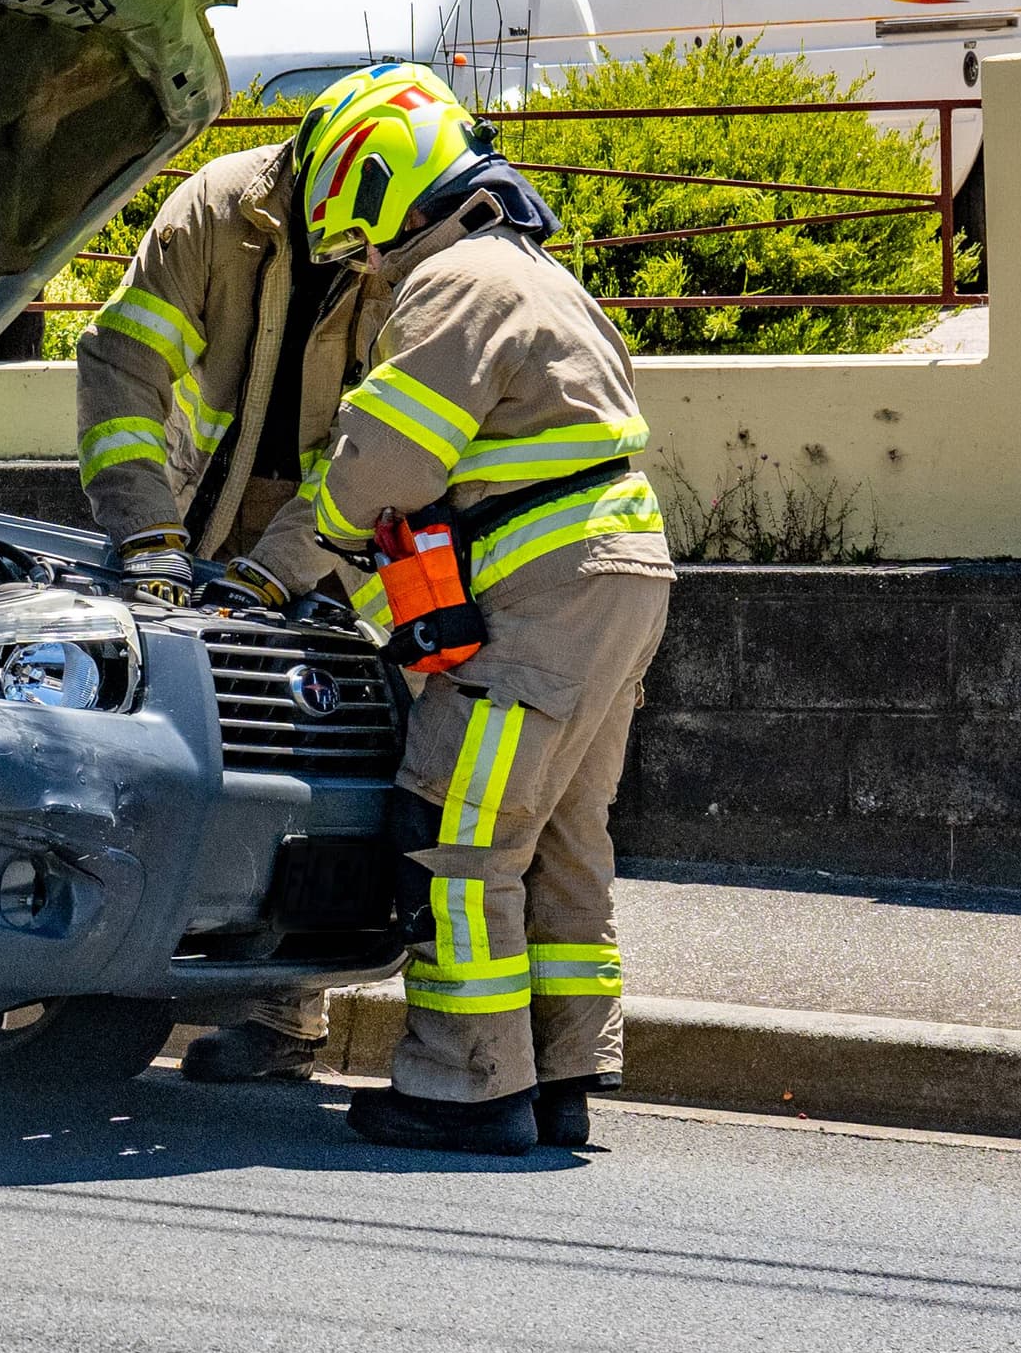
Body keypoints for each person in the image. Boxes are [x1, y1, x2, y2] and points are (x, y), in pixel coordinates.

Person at [241, 65, 671, 1157]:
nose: (365, 265)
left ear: (381, 185)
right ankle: (563, 1068)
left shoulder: (455, 283)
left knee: (457, 836)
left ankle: (465, 1087)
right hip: (616, 580)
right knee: (564, 836)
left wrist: (277, 568)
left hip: (543, 596)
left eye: (362, 241)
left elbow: (383, 463)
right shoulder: (535, 272)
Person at [74, 114, 399, 1086]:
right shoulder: (218, 208)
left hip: (338, 525)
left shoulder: (409, 240)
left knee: (311, 763)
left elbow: (377, 448)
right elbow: (121, 363)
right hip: (191, 513)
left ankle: (282, 1013)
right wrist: (146, 533)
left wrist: (284, 570)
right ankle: (116, 967)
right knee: (155, 748)